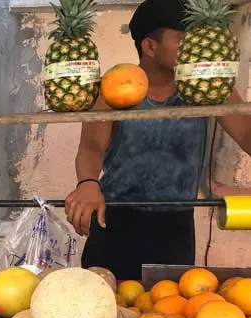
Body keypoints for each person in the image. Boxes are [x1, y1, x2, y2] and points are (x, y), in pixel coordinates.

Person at [64, 0, 251, 281]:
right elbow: (91, 146)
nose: (195, 50)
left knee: (170, 311)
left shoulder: (209, 89)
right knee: (105, 309)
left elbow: (247, 133)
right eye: (184, 41)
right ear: (150, 47)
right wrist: (88, 184)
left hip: (177, 225)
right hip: (116, 220)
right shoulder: (115, 88)